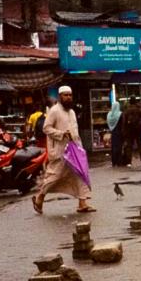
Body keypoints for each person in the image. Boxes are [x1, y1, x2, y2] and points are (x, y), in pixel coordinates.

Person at [32, 86, 95, 214]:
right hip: (60, 150)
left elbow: (75, 131)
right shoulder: (54, 111)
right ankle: (40, 197)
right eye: (65, 95)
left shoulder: (71, 112)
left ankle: (82, 203)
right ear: (60, 97)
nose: (68, 97)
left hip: (75, 149)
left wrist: (80, 147)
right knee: (55, 176)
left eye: (70, 95)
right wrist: (61, 134)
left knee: (80, 174)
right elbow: (46, 128)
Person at [123, 98, 141, 166]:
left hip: (130, 129)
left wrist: (124, 130)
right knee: (140, 145)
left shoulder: (127, 110)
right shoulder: (138, 109)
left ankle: (129, 162)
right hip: (138, 129)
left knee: (129, 146)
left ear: (130, 102)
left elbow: (124, 121)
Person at [107, 98, 125, 167]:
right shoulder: (120, 114)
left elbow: (108, 123)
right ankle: (119, 162)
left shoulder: (109, 114)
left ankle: (113, 162)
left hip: (113, 133)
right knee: (119, 147)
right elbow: (123, 123)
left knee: (113, 147)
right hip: (119, 133)